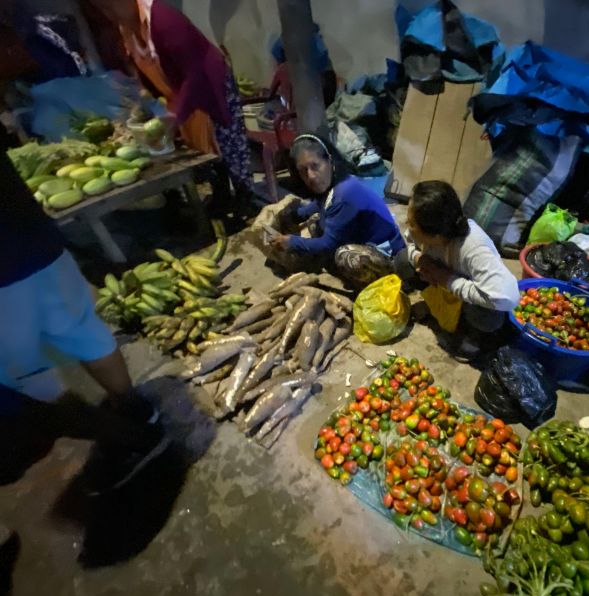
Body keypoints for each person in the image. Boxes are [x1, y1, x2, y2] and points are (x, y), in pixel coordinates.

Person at [0, 126, 167, 492]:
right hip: (33, 238)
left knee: (24, 374)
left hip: (5, 271)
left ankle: (131, 437)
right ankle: (133, 408)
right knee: (80, 326)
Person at [89, 0, 252, 209]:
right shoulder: (128, 28)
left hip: (209, 83)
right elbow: (144, 65)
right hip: (181, 91)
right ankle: (222, 196)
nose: (109, 13)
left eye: (111, 5)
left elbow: (195, 73)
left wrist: (177, 115)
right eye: (103, 9)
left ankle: (245, 197)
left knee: (227, 143)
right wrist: (147, 97)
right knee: (201, 147)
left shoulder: (164, 20)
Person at [255, 134, 405, 288]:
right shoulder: (334, 181)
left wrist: (291, 241)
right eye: (303, 170)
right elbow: (320, 203)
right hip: (364, 236)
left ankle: (376, 284)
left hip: (388, 255)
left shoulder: (346, 193)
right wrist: (297, 215)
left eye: (315, 166)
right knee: (317, 225)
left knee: (344, 256)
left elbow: (328, 244)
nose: (311, 176)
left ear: (330, 160)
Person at [398, 180, 520, 357]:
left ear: (435, 235)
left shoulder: (473, 248)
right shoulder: (425, 234)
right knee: (402, 261)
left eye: (411, 223)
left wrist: (447, 279)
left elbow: (506, 298)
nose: (406, 225)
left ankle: (474, 336)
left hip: (462, 294)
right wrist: (420, 259)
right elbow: (410, 243)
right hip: (441, 282)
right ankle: (435, 307)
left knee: (489, 315)